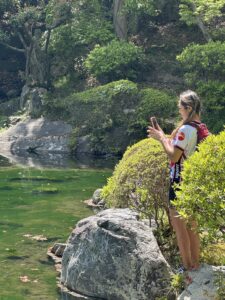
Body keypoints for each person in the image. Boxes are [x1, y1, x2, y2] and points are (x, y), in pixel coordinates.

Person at [147, 90, 205, 272]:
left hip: (179, 182)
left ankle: (187, 268)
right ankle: (196, 264)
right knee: (192, 226)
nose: (179, 111)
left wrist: (162, 138)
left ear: (188, 108)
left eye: (180, 108)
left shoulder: (186, 129)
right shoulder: (197, 126)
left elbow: (173, 156)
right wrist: (163, 136)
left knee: (180, 228)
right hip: (192, 181)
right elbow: (176, 145)